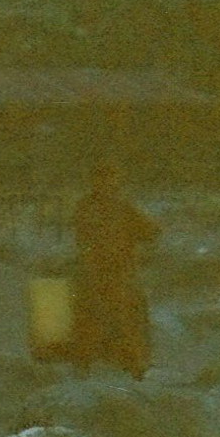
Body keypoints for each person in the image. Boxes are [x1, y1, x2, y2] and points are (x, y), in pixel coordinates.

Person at [69, 162, 159, 380]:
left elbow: (151, 231)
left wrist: (137, 248)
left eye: (110, 179)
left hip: (121, 272)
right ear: (93, 182)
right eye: (100, 179)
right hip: (94, 273)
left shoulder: (123, 207)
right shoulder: (85, 207)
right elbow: (82, 237)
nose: (105, 184)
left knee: (127, 318)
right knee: (90, 317)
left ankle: (135, 366)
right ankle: (85, 365)